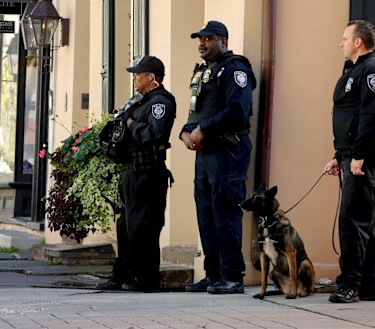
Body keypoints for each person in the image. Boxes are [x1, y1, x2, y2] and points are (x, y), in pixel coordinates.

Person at [180, 21, 256, 294]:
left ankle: (232, 277)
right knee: (206, 214)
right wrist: (186, 133)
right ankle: (213, 275)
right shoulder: (203, 71)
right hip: (205, 154)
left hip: (228, 151)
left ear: (222, 40)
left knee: (225, 213)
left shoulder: (235, 69)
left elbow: (238, 110)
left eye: (208, 38)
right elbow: (197, 112)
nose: (202, 43)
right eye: (199, 38)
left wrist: (204, 129)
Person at [323, 20, 375, 303]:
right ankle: (367, 286)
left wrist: (359, 155)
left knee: (353, 223)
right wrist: (339, 156)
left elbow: (372, 116)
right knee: (364, 222)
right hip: (352, 156)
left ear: (358, 42)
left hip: (365, 157)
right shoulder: (354, 70)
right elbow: (349, 118)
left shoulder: (373, 70)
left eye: (344, 38)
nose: (341, 43)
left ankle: (349, 285)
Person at [96, 55, 176, 292]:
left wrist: (131, 125)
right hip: (130, 171)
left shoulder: (160, 103)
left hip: (147, 172)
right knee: (127, 225)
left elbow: (155, 134)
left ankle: (144, 279)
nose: (134, 79)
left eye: (138, 75)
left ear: (151, 78)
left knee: (143, 226)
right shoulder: (139, 102)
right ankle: (125, 275)